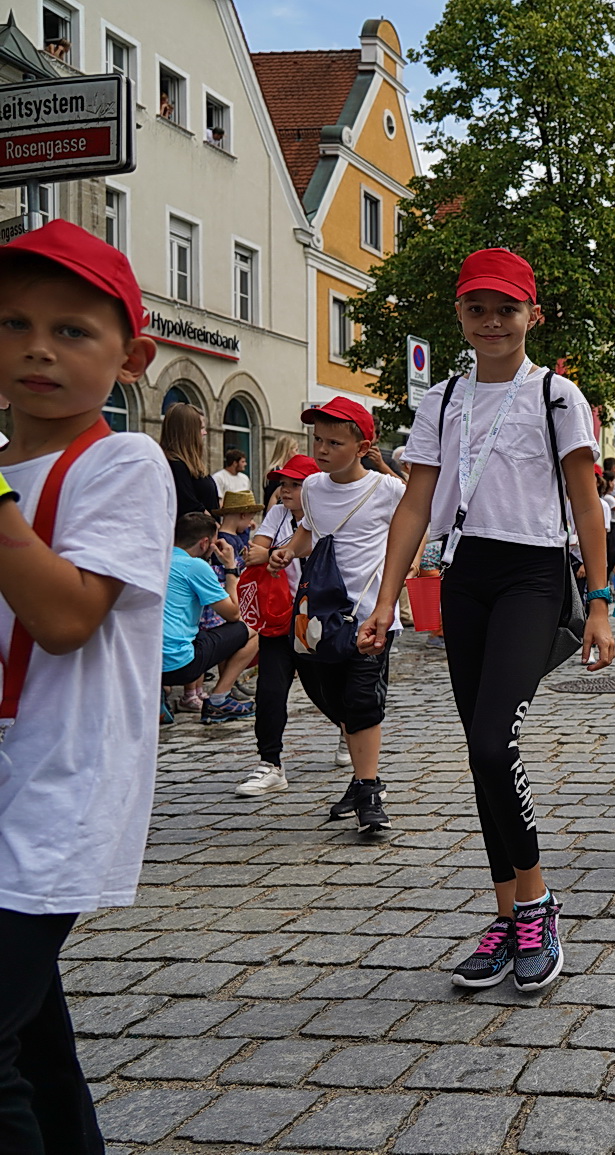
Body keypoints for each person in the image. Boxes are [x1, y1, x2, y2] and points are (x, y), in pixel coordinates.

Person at [359, 248, 614, 991]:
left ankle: (537, 905)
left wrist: (599, 601)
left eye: (507, 308)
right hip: (465, 576)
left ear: (532, 314)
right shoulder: (441, 400)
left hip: (533, 576)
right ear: (461, 316)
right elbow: (414, 504)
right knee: (478, 753)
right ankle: (506, 918)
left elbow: (588, 501)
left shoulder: (557, 395)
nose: (492, 321)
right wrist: (385, 598)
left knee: (494, 742)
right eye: (478, 308)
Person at [0, 217, 174, 1155]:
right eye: (13, 323)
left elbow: (66, 618)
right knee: (32, 1039)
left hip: (60, 786)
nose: (35, 348)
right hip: (7, 784)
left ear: (131, 355)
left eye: (71, 331)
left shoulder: (118, 462)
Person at [270, 397, 403, 836]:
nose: (322, 450)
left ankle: (369, 790)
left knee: (362, 701)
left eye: (334, 442)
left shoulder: (388, 490)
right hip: (318, 615)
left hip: (369, 617)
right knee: (327, 695)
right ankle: (361, 778)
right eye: (318, 440)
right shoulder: (312, 488)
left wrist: (401, 579)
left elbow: (414, 532)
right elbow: (310, 532)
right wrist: (289, 549)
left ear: (363, 447)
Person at [236, 454, 318, 795]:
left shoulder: (324, 515)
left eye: (295, 485)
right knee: (270, 689)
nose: (285, 491)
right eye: (284, 484)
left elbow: (267, 552)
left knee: (329, 690)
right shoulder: (279, 513)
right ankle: (270, 763)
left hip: (316, 617)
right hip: (279, 616)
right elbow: (254, 552)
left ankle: (350, 733)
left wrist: (272, 552)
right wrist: (264, 553)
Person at [163, 512, 259, 723]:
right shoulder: (196, 566)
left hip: (148, 662)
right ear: (205, 543)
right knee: (254, 629)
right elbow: (234, 614)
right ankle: (219, 699)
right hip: (179, 664)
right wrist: (230, 568)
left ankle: (159, 698)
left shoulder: (157, 559)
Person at [160, 401, 216, 518]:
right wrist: (214, 525)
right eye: (201, 428)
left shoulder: (190, 464)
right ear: (188, 431)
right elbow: (189, 505)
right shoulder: (175, 465)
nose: (205, 433)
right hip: (196, 533)